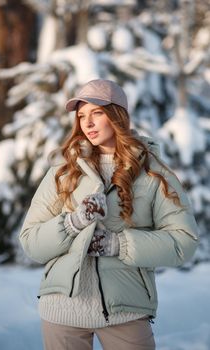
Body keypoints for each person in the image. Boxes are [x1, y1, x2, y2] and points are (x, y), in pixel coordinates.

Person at [19, 79, 198, 350]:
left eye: (97, 113)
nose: (87, 123)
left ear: (117, 115)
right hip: (62, 309)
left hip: (125, 309)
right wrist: (73, 222)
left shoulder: (151, 173)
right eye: (81, 116)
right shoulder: (64, 171)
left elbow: (184, 241)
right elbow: (31, 240)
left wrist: (119, 244)